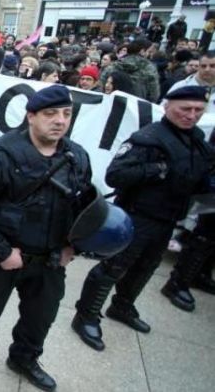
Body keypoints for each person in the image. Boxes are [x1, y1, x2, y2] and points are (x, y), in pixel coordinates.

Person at [0, 85, 92, 392]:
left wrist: (73, 245)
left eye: (66, 114)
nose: (59, 120)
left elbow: (84, 206)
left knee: (40, 317)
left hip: (51, 259)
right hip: (3, 257)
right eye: (50, 114)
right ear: (31, 116)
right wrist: (2, 252)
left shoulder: (76, 156)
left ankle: (25, 358)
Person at [72, 86, 213, 351]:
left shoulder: (196, 140)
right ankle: (87, 315)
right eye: (185, 109)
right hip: (138, 215)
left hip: (168, 217)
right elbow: (116, 175)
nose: (191, 115)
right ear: (168, 106)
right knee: (114, 266)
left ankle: (123, 306)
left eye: (198, 110)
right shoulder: (148, 138)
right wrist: (156, 169)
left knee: (147, 265)